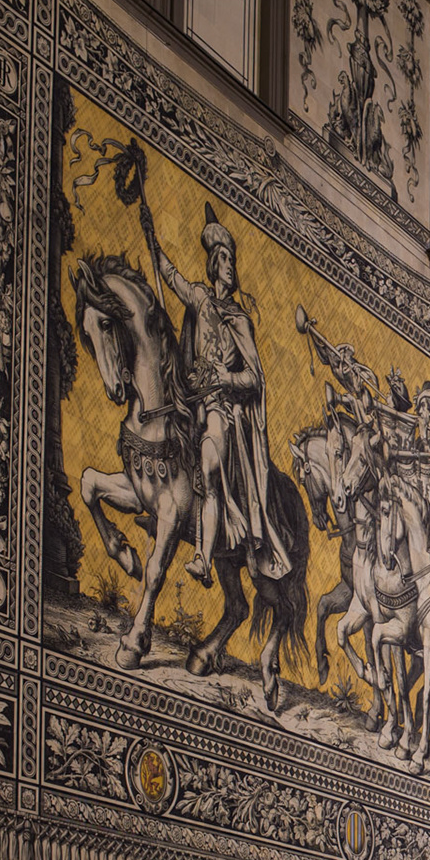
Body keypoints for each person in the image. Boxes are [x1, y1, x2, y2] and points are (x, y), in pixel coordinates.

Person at [139, 198, 291, 586]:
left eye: (231, 259)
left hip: (220, 408)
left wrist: (227, 378)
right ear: (212, 263)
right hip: (189, 402)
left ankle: (203, 559)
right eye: (223, 258)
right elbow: (170, 276)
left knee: (208, 468)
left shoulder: (240, 320)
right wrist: (153, 241)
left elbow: (255, 378)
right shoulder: (200, 298)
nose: (229, 265)